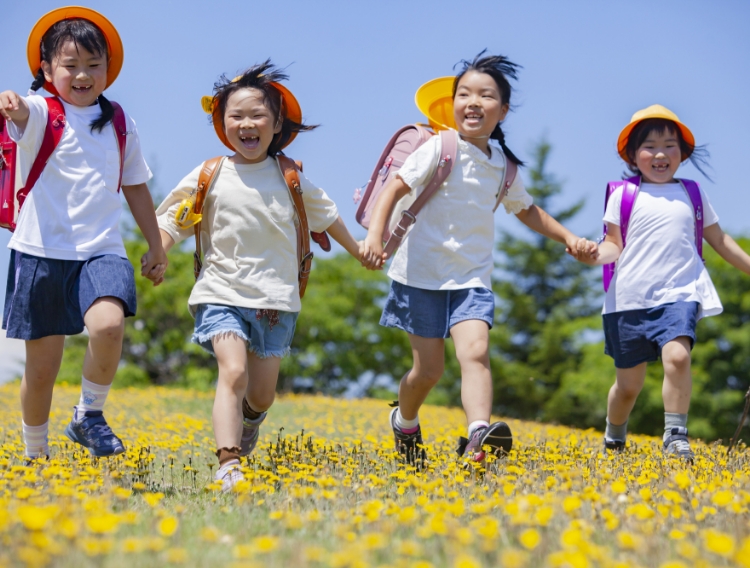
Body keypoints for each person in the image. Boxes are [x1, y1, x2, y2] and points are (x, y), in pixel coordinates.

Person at [361, 51, 594, 467]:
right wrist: (375, 237)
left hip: (471, 279)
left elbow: (526, 209)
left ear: (502, 111)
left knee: (475, 352)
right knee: (428, 372)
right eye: (464, 94)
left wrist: (569, 237)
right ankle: (405, 420)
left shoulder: (503, 166)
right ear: (450, 106)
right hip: (420, 276)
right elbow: (395, 189)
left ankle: (477, 436)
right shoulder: (440, 147)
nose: (473, 102)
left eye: (485, 96)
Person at [156, 62, 362, 491]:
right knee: (232, 371)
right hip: (220, 291)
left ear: (276, 123)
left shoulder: (291, 178)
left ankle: (251, 420)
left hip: (275, 300)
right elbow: (174, 220)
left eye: (257, 115)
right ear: (222, 122)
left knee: (262, 394)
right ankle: (229, 463)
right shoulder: (209, 174)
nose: (247, 124)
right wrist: (157, 251)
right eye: (237, 116)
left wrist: (360, 251)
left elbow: (331, 216)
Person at [0, 7, 166, 461]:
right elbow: (17, 113)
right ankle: (35, 454)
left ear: (108, 70)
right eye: (70, 65)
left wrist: (155, 245)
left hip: (101, 251)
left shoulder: (118, 121)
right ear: (47, 70)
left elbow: (135, 185)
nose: (82, 74)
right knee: (41, 372)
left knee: (110, 325)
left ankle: (88, 415)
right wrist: (11, 103)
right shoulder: (40, 113)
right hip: (39, 251)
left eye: (94, 65)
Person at [578, 104, 750, 459]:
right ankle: (614, 436)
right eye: (650, 146)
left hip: (679, 293)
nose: (660, 153)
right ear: (631, 154)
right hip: (628, 300)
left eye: (670, 145)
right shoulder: (622, 194)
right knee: (628, 387)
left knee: (677, 358)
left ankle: (675, 434)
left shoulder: (693, 194)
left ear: (683, 153)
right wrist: (593, 254)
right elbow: (613, 245)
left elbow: (720, 241)